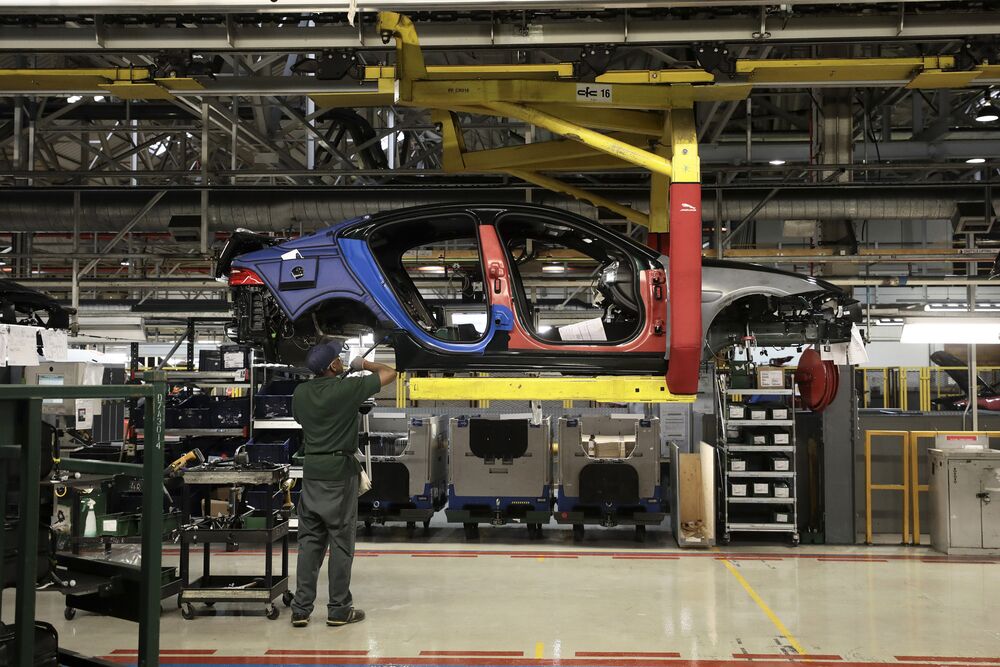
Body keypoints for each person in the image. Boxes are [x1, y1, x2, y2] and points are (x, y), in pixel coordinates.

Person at [289, 340, 396, 628]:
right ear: (333, 365)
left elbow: (301, 417)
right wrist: (364, 365)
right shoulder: (346, 389)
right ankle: (338, 610)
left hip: (312, 473)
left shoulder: (300, 392)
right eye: (340, 357)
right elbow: (390, 373)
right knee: (340, 543)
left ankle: (300, 609)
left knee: (309, 543)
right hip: (339, 473)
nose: (342, 359)